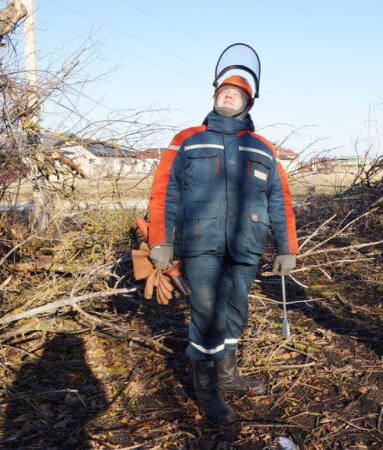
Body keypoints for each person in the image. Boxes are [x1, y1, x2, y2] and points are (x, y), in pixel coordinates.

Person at [146, 58, 298, 425]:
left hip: (246, 244)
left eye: (237, 94)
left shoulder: (262, 147)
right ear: (215, 96)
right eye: (224, 92)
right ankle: (207, 391)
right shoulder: (188, 139)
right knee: (207, 314)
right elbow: (164, 192)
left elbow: (280, 199)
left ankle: (228, 376)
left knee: (235, 312)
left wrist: (287, 247)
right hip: (201, 244)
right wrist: (160, 240)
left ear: (249, 103)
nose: (229, 96)